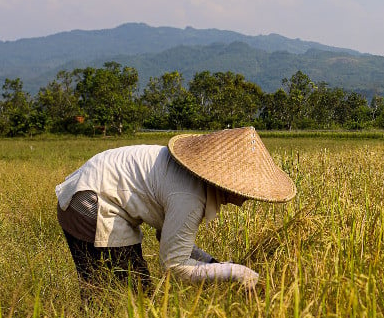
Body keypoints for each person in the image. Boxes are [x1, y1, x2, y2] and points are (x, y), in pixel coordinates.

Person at [55, 126, 296, 294]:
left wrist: (214, 263)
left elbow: (171, 239)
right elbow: (174, 266)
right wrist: (237, 272)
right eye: (246, 191)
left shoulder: (192, 184)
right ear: (226, 183)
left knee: (123, 294)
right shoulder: (189, 197)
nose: (246, 200)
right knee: (125, 295)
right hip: (92, 203)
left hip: (94, 189)